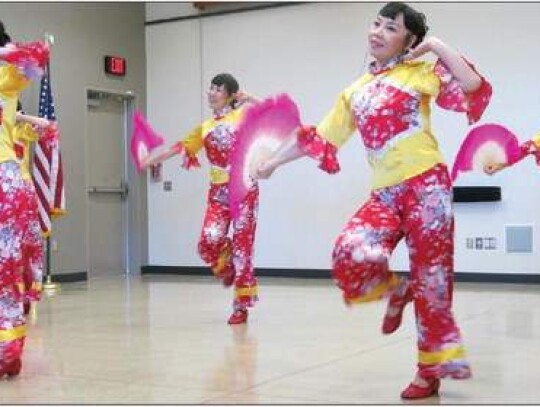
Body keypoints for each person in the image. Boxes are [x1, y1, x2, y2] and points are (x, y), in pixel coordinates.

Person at [256, 2, 492, 399]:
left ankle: (427, 373)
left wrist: (433, 44)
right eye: (376, 24)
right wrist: (272, 164)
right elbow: (321, 137)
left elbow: (471, 85)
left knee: (432, 282)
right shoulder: (356, 91)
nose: (377, 32)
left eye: (390, 27)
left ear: (408, 39)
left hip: (427, 189)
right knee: (350, 251)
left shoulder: (421, 71)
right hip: (385, 193)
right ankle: (397, 292)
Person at [143, 73, 260, 325]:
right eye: (210, 88)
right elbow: (178, 148)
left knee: (242, 249)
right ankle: (226, 267)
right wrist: (151, 160)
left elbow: (271, 115)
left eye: (217, 89)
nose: (211, 92)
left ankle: (240, 306)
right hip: (218, 192)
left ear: (229, 95)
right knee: (208, 240)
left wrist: (249, 98)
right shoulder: (205, 127)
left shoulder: (243, 116)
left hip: (244, 190)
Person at [0, 20, 48, 378]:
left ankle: (8, 349)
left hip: (5, 181)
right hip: (10, 181)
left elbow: (36, 56)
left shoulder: (8, 73)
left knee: (5, 271)